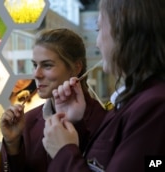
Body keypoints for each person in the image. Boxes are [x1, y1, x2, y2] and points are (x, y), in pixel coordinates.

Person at [42, 0, 165, 171]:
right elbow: (103, 161)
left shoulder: (154, 106)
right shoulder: (133, 100)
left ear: (125, 33)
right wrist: (74, 124)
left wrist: (64, 152)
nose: (98, 43)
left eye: (99, 30)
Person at [0, 28, 106, 172]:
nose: (36, 74)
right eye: (35, 65)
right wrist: (12, 144)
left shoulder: (102, 121)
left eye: (47, 65)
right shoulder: (27, 121)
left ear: (76, 67)